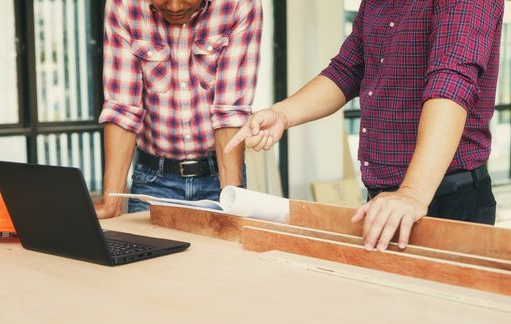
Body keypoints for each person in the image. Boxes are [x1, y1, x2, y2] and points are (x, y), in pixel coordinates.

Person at [225, 0, 504, 251]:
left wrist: (413, 192)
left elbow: (451, 83)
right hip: (386, 199)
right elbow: (347, 69)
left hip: (447, 198)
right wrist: (282, 114)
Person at [95, 0, 262, 219]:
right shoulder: (123, 5)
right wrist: (111, 202)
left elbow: (229, 111)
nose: (174, 7)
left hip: (218, 177)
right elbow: (122, 109)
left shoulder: (239, 4)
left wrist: (231, 201)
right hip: (153, 180)